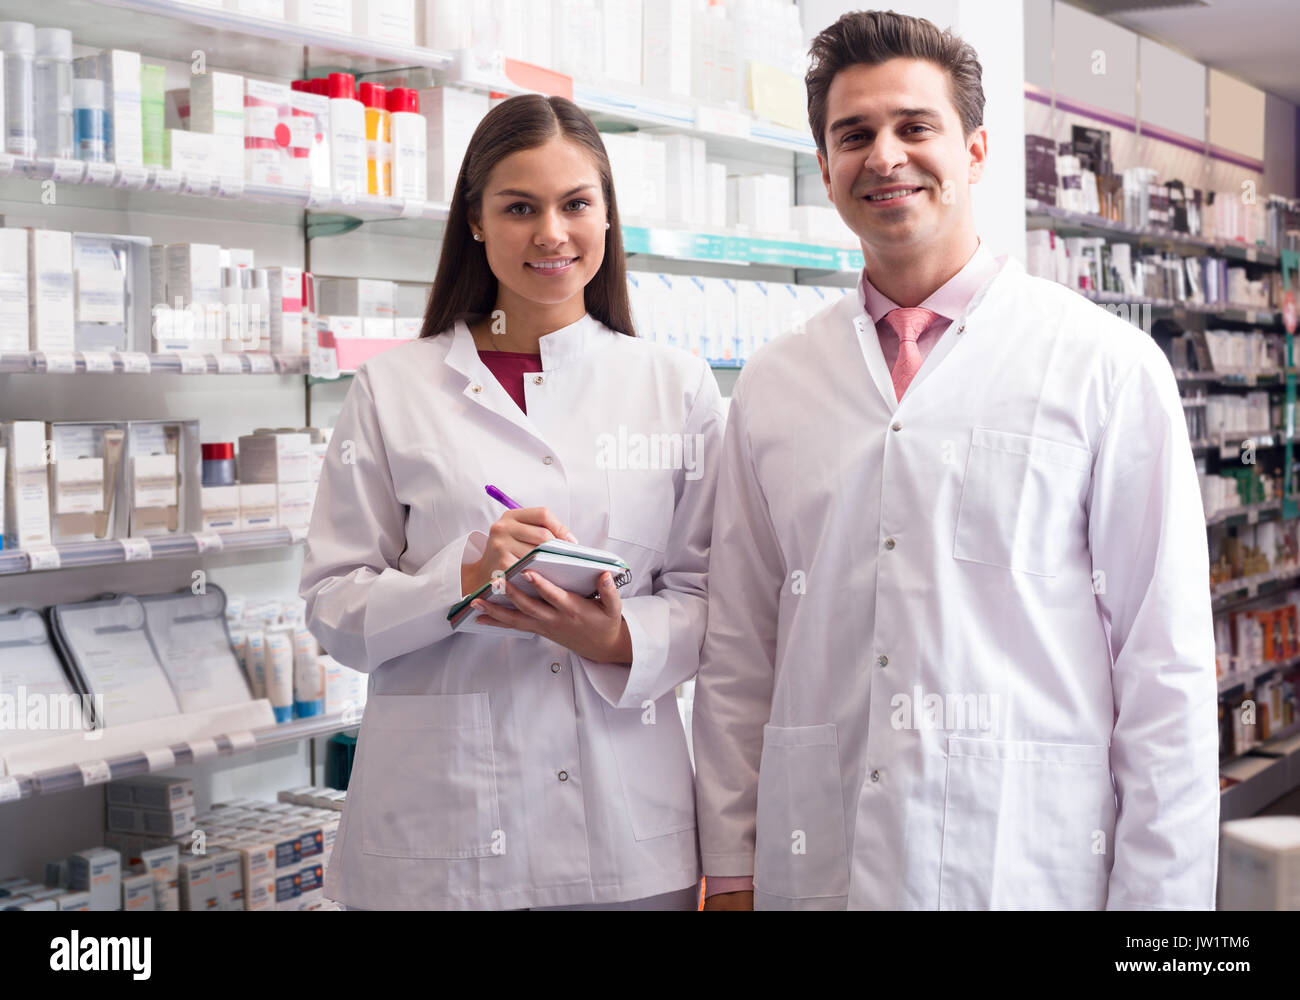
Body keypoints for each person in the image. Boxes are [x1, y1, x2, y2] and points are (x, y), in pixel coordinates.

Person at [693, 10, 1219, 911]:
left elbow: (1164, 666)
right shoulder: (777, 383)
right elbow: (741, 645)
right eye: (853, 135)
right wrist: (733, 873)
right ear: (824, 168)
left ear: (975, 150)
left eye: (915, 127)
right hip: (817, 863)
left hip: (1025, 863)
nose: (884, 156)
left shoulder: (1104, 364)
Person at [301, 94, 724, 910]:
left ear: (607, 215)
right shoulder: (394, 388)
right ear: (475, 220)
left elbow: (713, 597)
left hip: (626, 830)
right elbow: (330, 604)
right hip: (443, 828)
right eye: (519, 207)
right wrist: (458, 577)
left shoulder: (675, 387)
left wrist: (617, 635)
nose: (551, 234)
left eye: (576, 204)